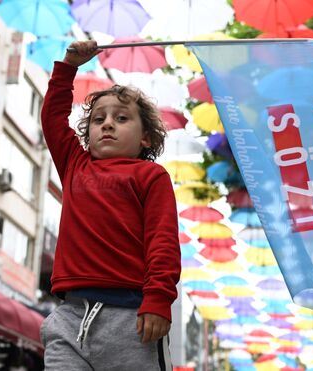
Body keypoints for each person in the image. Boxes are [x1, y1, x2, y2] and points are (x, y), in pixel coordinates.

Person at [40, 40, 181, 371]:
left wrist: (159, 299)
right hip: (69, 317)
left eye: (121, 118)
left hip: (132, 321)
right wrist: (69, 66)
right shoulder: (75, 164)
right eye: (99, 119)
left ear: (146, 137)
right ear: (88, 133)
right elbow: (52, 117)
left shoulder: (151, 176)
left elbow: (163, 242)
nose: (107, 124)